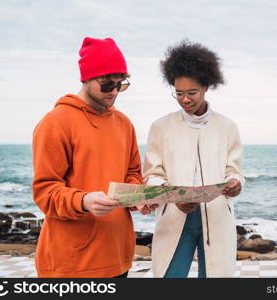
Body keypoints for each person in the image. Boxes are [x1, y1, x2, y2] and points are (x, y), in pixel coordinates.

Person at [32, 37, 150, 278]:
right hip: (72, 264)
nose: (115, 92)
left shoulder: (124, 124)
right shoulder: (55, 123)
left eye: (121, 84)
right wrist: (83, 201)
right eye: (107, 85)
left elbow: (132, 174)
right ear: (86, 78)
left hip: (118, 256)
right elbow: (45, 192)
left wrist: (137, 197)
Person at [143, 40, 244, 278]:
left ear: (206, 86)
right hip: (175, 216)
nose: (184, 100)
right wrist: (175, 198)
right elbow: (153, 176)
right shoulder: (160, 127)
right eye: (178, 93)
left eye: (191, 93)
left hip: (218, 216)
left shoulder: (227, 127)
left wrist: (234, 183)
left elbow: (234, 169)